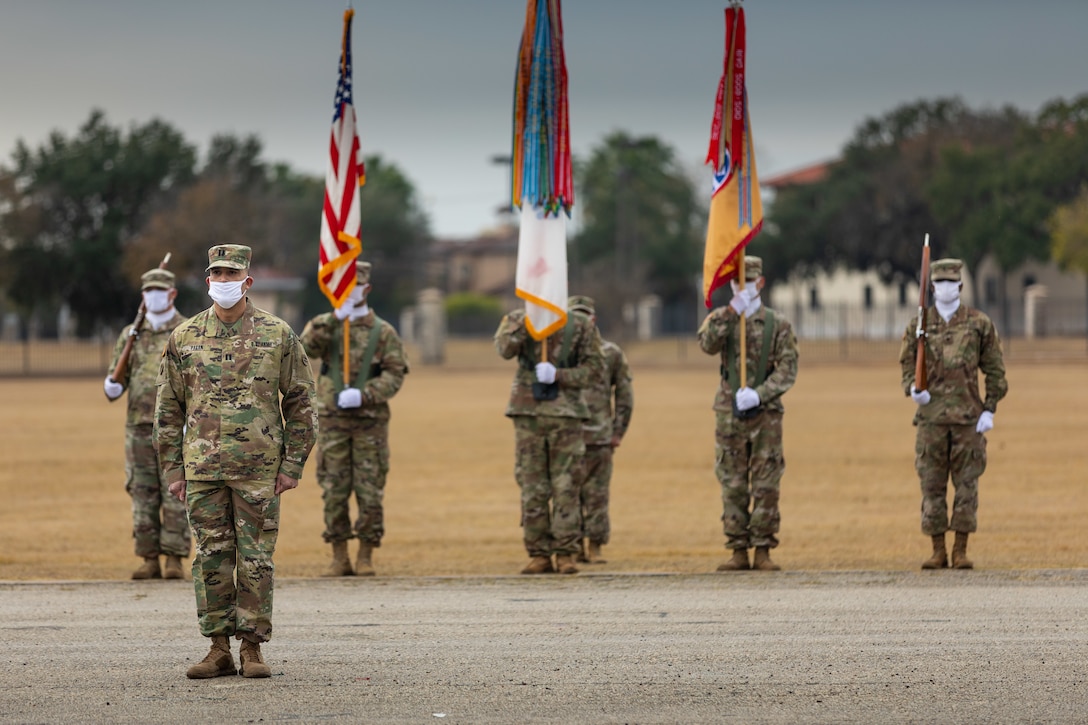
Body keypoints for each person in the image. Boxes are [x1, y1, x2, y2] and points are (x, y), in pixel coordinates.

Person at [156, 244, 317, 679]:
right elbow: (167, 409)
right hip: (203, 469)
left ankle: (252, 649)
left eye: (232, 275)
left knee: (256, 558)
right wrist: (173, 470)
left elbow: (303, 401)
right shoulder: (184, 337)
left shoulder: (277, 334)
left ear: (247, 282)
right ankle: (217, 647)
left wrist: (293, 464)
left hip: (259, 470)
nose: (223, 282)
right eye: (216, 275)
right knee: (211, 556)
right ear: (207, 281)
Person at [300, 261, 409, 577]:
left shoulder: (383, 331)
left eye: (356, 286)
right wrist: (332, 320)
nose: (351, 292)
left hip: (369, 423)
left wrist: (368, 394)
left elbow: (396, 372)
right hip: (333, 420)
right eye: (345, 287)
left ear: (367, 288)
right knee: (333, 489)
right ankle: (338, 555)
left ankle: (365, 554)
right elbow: (304, 349)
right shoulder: (327, 324)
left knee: (369, 489)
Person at [898, 258, 1008, 570]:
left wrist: (990, 408)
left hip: (967, 420)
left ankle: (960, 549)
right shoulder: (919, 324)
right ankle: (937, 550)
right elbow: (907, 362)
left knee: (967, 486)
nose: (945, 288)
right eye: (940, 283)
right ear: (931, 287)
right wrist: (911, 388)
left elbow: (996, 370)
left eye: (951, 283)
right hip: (931, 420)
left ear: (960, 285)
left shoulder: (978, 323)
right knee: (931, 486)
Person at [697, 255, 799, 572]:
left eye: (749, 282)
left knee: (766, 482)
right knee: (733, 482)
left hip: (765, 415)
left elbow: (788, 369)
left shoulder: (778, 324)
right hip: (729, 414)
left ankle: (763, 549)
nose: (743, 288)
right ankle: (737, 549)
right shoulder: (723, 318)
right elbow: (707, 344)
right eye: (737, 283)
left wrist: (760, 394)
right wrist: (730, 313)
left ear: (761, 283)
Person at [494, 305, 604, 575]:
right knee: (533, 487)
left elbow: (595, 369)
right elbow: (504, 349)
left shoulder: (579, 325)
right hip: (528, 413)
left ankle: (566, 553)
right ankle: (539, 553)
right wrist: (529, 322)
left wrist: (559, 375)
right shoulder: (517, 319)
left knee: (566, 485)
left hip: (565, 415)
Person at [104, 268, 191, 580]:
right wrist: (112, 384)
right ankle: (149, 558)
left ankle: (174, 559)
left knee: (177, 492)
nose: (154, 295)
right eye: (148, 291)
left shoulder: (185, 331)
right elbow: (115, 382)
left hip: (175, 428)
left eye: (160, 290)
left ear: (172, 294)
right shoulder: (132, 333)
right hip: (138, 428)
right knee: (142, 492)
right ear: (143, 297)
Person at [566, 296, 633, 565]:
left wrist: (619, 431)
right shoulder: (563, 353)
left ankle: (594, 546)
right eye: (575, 317)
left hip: (600, 436)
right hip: (568, 436)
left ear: (593, 320)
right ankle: (570, 547)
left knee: (596, 495)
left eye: (585, 317)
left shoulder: (611, 353)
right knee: (567, 493)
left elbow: (625, 395)